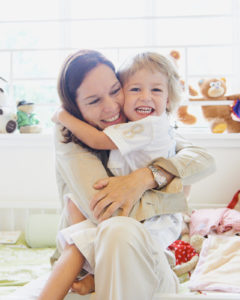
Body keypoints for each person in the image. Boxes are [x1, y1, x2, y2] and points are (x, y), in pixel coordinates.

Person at [39, 49, 215, 300]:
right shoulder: (71, 135)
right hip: (88, 264)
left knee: (116, 229)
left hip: (149, 258)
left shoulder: (148, 126)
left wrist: (145, 177)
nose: (112, 107)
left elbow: (202, 159)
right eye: (93, 101)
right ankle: (94, 277)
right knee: (107, 225)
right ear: (75, 110)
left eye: (114, 91)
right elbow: (110, 209)